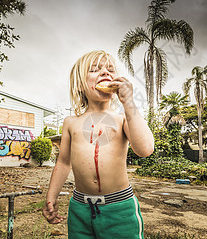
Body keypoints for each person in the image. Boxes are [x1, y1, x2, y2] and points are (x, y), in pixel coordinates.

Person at [42, 50, 154, 239]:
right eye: (95, 69)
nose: (105, 73)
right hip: (80, 209)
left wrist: (129, 103)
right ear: (79, 85)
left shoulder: (122, 119)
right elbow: (63, 162)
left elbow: (145, 149)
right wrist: (51, 196)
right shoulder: (71, 122)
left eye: (110, 70)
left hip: (120, 208)